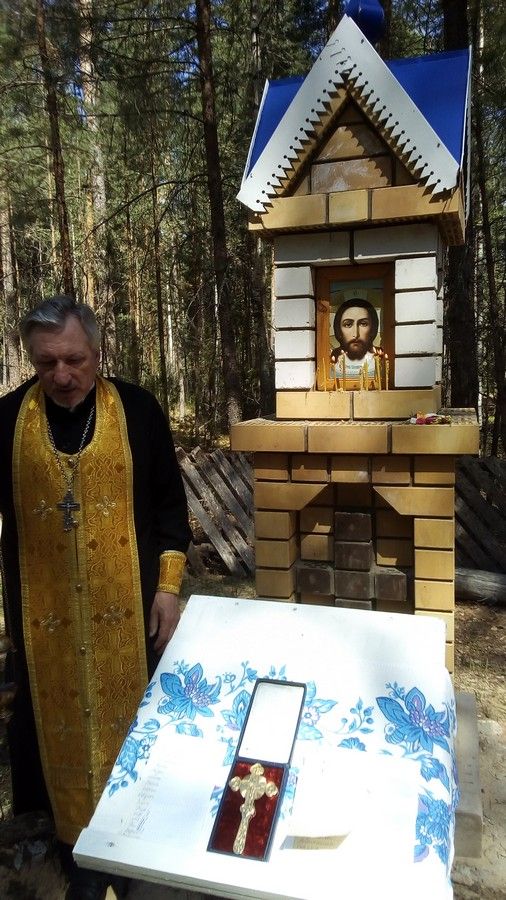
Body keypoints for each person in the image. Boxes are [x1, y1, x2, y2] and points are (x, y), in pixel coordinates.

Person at [0, 296, 192, 899]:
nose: (61, 375)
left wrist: (167, 589)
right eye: (46, 363)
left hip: (132, 622)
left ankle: (138, 860)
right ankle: (64, 868)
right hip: (41, 632)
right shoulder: (6, 422)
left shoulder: (137, 411)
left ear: (97, 352)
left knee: (139, 737)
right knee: (40, 744)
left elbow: (171, 509)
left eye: (74, 360)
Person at [330, 297, 379, 378]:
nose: (356, 334)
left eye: (363, 324)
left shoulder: (379, 360)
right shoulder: (331, 360)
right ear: (338, 329)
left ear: (373, 328)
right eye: (348, 324)